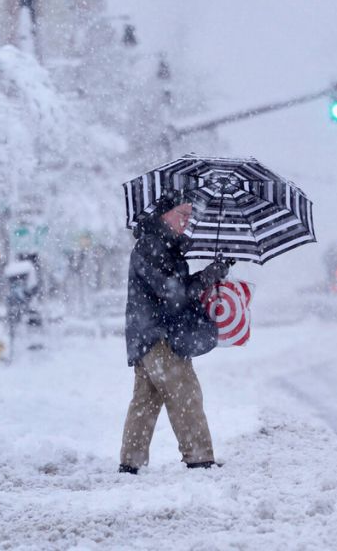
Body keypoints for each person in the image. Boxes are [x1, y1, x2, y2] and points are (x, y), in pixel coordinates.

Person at [120, 191, 229, 474]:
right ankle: (200, 459)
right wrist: (207, 277)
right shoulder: (152, 247)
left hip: (146, 336)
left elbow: (175, 288)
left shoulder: (163, 246)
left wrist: (211, 272)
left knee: (145, 401)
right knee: (186, 394)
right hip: (160, 336)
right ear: (163, 215)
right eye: (181, 215)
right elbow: (173, 293)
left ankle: (130, 463)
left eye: (189, 216)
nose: (186, 221)